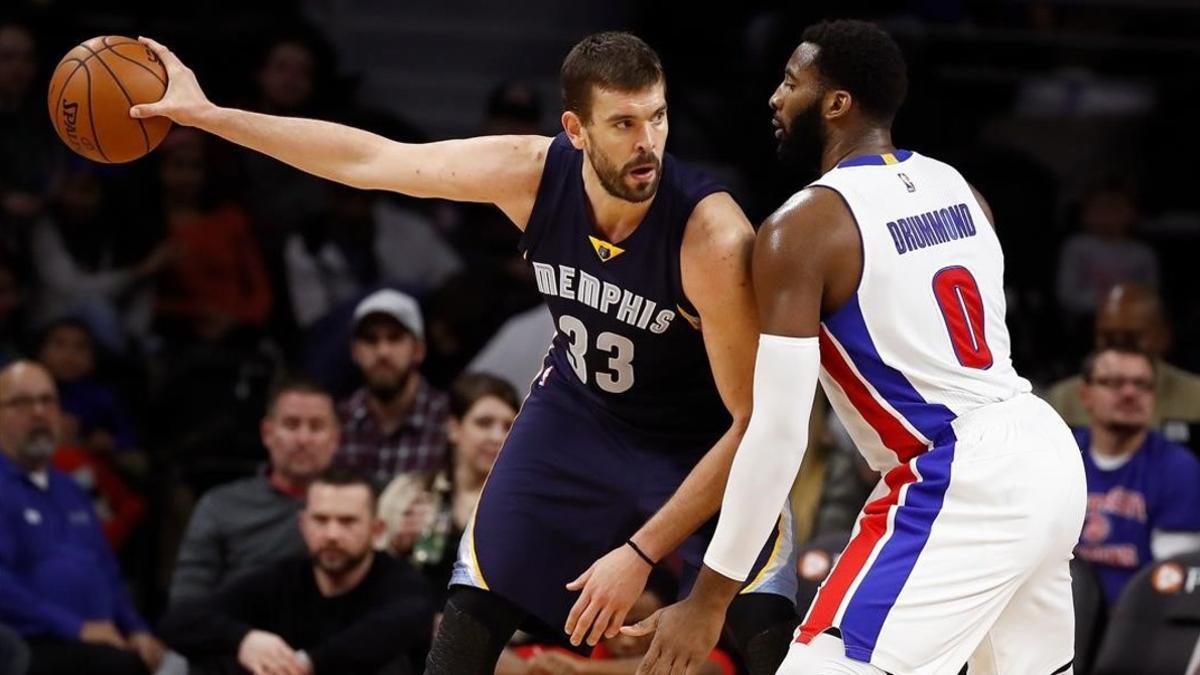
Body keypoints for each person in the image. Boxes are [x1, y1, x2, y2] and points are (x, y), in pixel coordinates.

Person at [130, 30, 798, 674]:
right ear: (575, 129)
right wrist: (209, 116)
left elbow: (753, 423)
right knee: (470, 612)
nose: (646, 143)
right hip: (581, 415)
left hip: (700, 438)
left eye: (657, 117)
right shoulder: (531, 174)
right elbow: (369, 160)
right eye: (623, 123)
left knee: (766, 630)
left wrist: (639, 552)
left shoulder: (711, 235)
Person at [631, 20, 1086, 675]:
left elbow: (779, 434)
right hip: (1043, 449)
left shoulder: (803, 227)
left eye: (791, 82)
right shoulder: (962, 190)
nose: (774, 98)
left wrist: (709, 597)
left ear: (836, 103)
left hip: (957, 472)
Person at [160, 466, 435, 675]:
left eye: (347, 521)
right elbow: (180, 621)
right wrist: (244, 639)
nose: (331, 534)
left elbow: (389, 632)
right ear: (303, 525)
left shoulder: (403, 585)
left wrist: (304, 664)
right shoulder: (281, 578)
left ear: (377, 530)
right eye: (321, 520)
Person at [0, 361, 166, 675]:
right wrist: (75, 627)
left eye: (47, 401)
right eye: (21, 402)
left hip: (98, 643)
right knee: (122, 667)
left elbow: (105, 570)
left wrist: (137, 630)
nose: (38, 412)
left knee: (183, 664)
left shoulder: (70, 487)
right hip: (27, 645)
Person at [169, 377, 340, 603]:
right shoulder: (221, 506)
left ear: (336, 438)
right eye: (291, 424)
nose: (303, 439)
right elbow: (186, 604)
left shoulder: (368, 504)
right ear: (267, 433)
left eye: (316, 426)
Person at [376, 372, 519, 606]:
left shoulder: (524, 507)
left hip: (490, 637)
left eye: (508, 426)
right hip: (409, 627)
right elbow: (367, 573)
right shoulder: (409, 492)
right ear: (454, 428)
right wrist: (397, 545)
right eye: (484, 423)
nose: (497, 436)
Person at [1073, 345, 1200, 605]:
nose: (1130, 393)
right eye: (1115, 383)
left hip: (1139, 622)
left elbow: (1173, 578)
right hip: (1057, 611)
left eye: (1142, 384)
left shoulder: (1178, 467)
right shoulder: (1061, 455)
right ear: (1086, 395)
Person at [335, 289, 450, 486]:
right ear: (355, 351)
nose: (383, 352)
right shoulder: (337, 421)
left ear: (418, 350)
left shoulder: (448, 421)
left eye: (395, 338)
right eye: (371, 339)